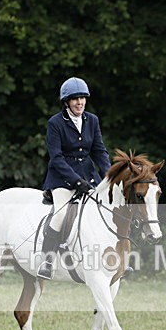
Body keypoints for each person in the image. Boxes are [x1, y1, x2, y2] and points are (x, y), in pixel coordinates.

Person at [37, 77, 111, 280]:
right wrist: (77, 181)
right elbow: (56, 158)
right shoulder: (55, 123)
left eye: (83, 98)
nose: (80, 103)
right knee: (61, 213)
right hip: (61, 178)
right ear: (67, 102)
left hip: (89, 175)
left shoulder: (92, 120)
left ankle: (113, 258)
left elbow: (99, 151)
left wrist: (110, 175)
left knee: (106, 209)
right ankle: (47, 260)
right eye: (75, 99)